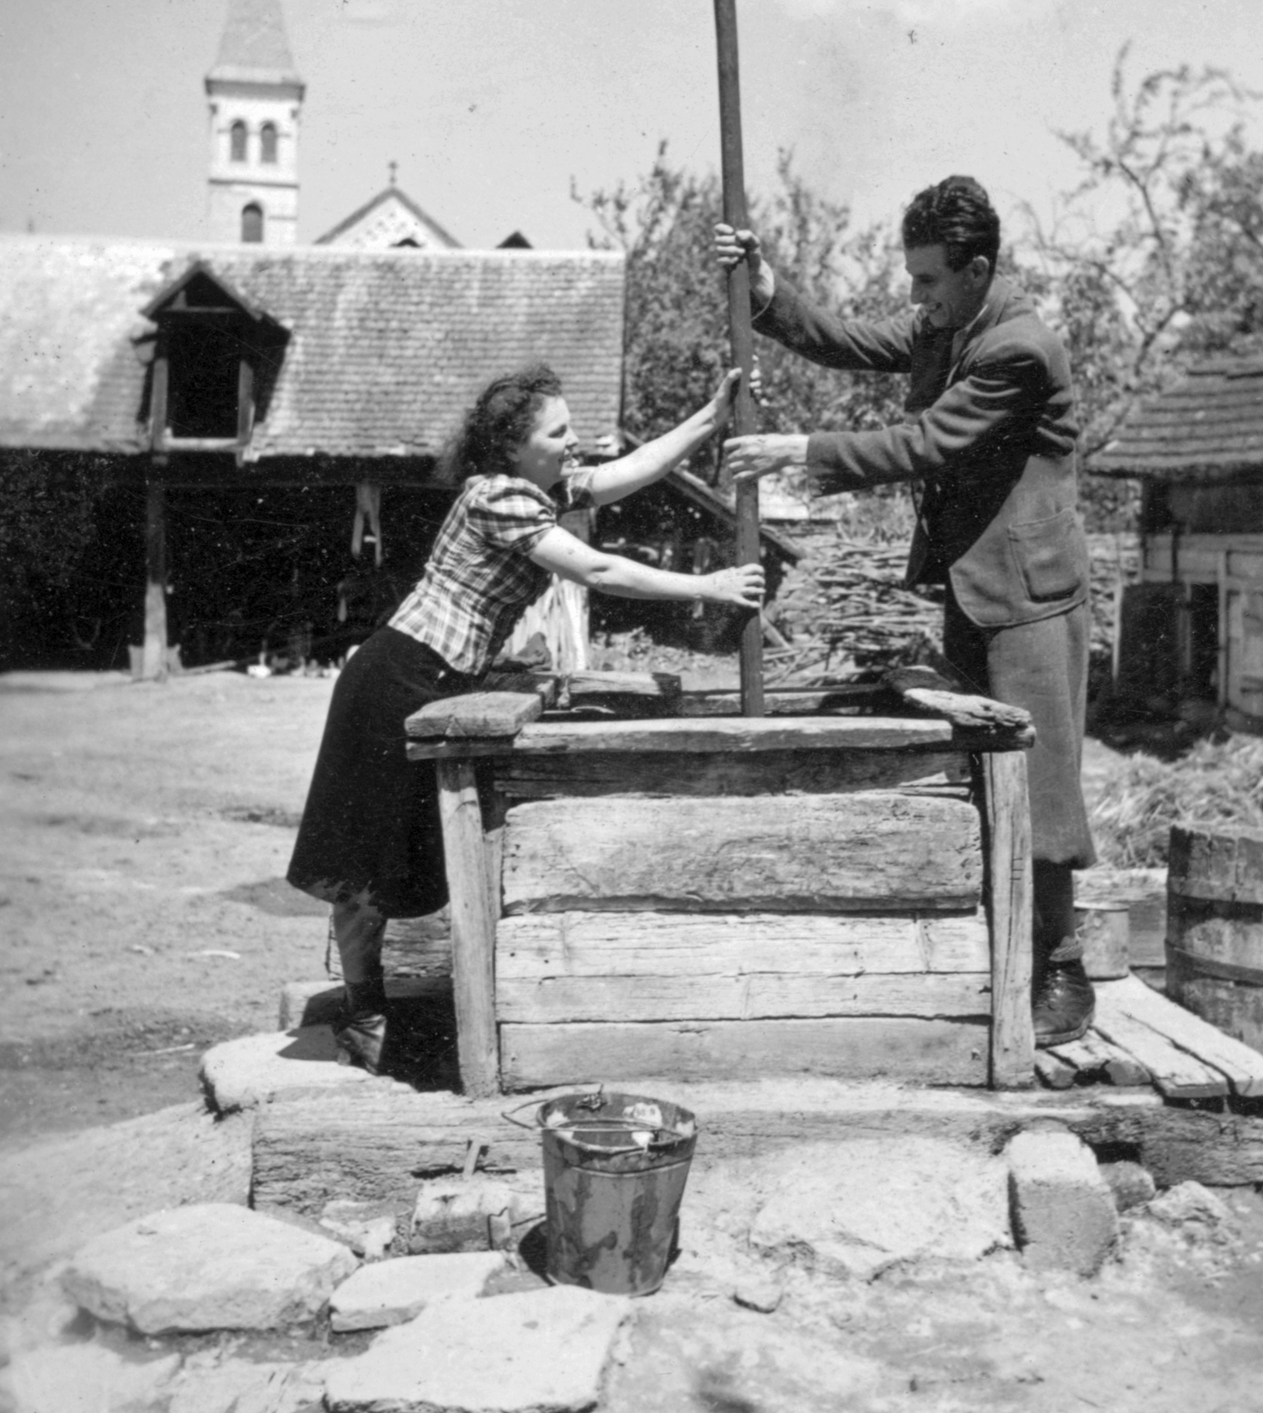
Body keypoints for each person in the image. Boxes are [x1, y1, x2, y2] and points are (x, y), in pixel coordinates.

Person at [287, 363, 763, 1071]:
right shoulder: (499, 498)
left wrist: (710, 416)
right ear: (512, 447)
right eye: (559, 433)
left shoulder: (535, 488)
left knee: (396, 858)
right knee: (366, 864)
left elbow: (625, 471)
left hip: (433, 678)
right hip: (393, 681)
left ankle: (372, 1006)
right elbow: (597, 570)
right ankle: (363, 1012)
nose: (575, 444)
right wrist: (712, 587)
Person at [715, 175, 1097, 1046]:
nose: (915, 298)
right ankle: (1008, 952)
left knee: (1042, 789)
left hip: (1031, 596)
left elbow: (924, 442)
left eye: (928, 281)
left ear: (978, 270)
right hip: (977, 585)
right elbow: (850, 339)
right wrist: (766, 290)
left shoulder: (1018, 349)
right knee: (983, 775)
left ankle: (1063, 968)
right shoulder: (950, 323)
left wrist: (796, 449)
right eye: (914, 280)